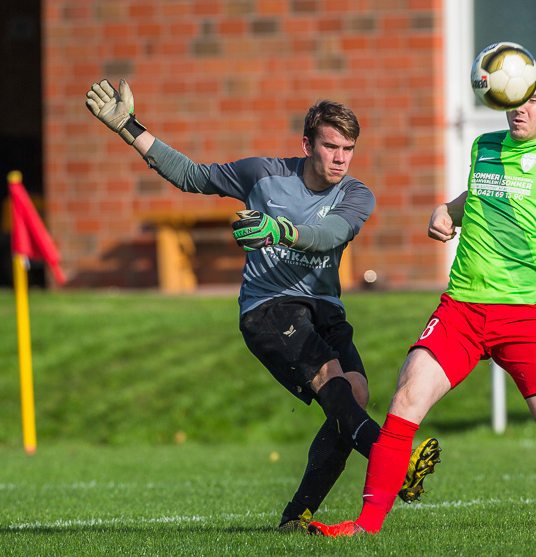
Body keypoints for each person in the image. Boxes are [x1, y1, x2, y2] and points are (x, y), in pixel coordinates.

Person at [308, 60, 536, 537]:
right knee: (406, 400)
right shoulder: (485, 147)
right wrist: (445, 212)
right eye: (514, 97)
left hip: (525, 319)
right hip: (461, 309)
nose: (520, 108)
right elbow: (474, 200)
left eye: (533, 98)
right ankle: (366, 526)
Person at [84, 79, 441, 531]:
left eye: (348, 149)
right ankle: (397, 463)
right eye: (330, 146)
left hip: (324, 307)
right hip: (268, 308)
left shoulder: (356, 195)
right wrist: (128, 128)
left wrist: (280, 232)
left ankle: (297, 516)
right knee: (333, 384)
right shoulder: (263, 174)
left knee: (355, 395)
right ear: (306, 144)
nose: (339, 158)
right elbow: (192, 176)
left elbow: (330, 236)